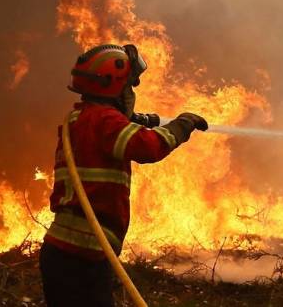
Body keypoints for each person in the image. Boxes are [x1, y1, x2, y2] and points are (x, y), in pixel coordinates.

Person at [39, 43, 207, 307]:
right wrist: (181, 126)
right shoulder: (104, 121)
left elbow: (117, 130)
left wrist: (140, 119)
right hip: (82, 257)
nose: (130, 93)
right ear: (113, 86)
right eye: (128, 86)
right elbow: (147, 147)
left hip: (69, 254)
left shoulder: (81, 118)